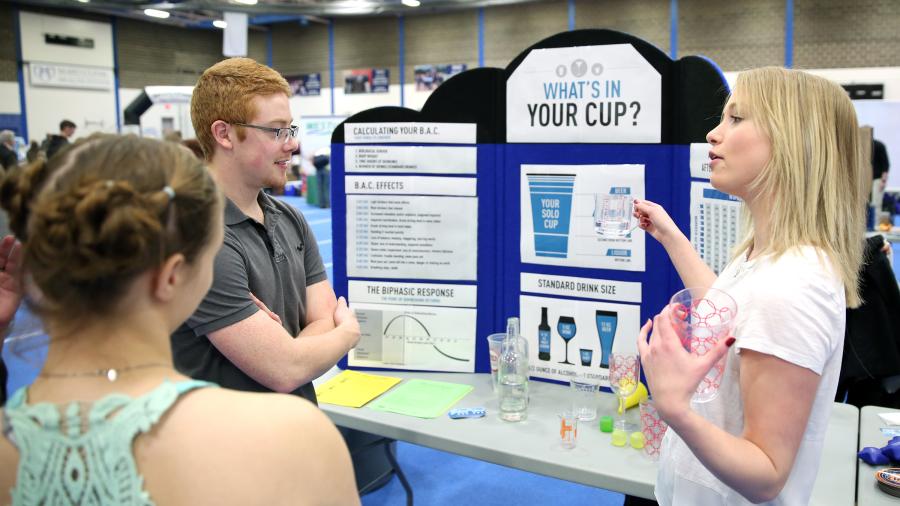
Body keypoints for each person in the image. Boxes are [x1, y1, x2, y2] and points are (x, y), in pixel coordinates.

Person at [0, 135, 359, 504]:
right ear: (172, 277)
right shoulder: (294, 437)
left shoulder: (8, 447)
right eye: (211, 258)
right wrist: (346, 332)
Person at [633, 67, 864, 505]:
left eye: (736, 119)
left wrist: (674, 406)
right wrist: (669, 236)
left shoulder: (794, 284)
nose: (713, 136)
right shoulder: (766, 255)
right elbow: (732, 311)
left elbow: (766, 473)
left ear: (793, 141)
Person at [171, 57, 359, 402]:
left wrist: (291, 354)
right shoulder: (199, 238)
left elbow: (319, 322)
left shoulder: (290, 219)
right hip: (230, 444)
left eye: (290, 129)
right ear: (224, 134)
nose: (292, 144)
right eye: (276, 131)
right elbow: (284, 371)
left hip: (292, 426)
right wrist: (347, 334)